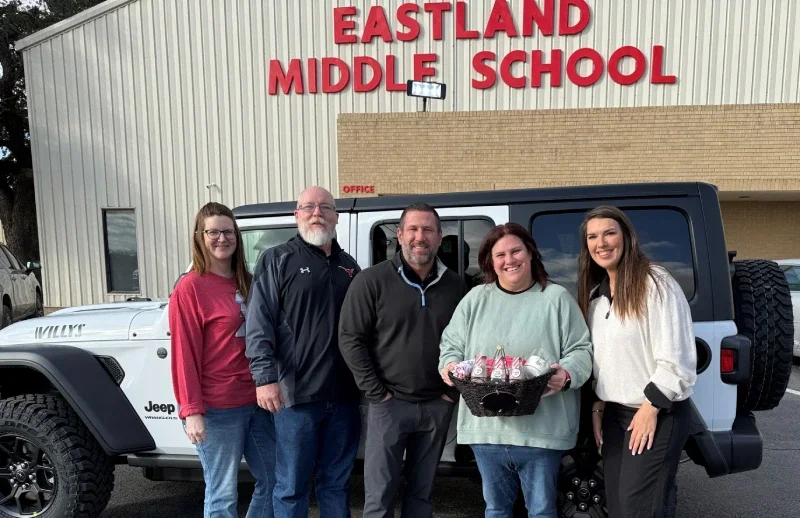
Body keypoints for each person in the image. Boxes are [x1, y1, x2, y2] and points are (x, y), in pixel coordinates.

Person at [439, 222, 593, 518]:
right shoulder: (475, 299)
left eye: (516, 251)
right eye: (500, 255)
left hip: (541, 432)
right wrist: (449, 366)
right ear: (490, 262)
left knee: (542, 511)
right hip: (486, 432)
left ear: (531, 253)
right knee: (496, 509)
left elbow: (581, 350)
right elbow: (451, 345)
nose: (509, 260)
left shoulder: (557, 299)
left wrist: (568, 374)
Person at [339, 202, 465, 518]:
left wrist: (452, 394)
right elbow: (350, 339)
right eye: (412, 229)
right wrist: (377, 393)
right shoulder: (371, 281)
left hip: (437, 406)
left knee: (422, 497)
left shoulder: (456, 286)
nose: (419, 237)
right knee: (379, 500)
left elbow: (469, 344)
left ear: (439, 238)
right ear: (399, 235)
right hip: (387, 407)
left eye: (427, 230)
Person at [246, 186, 361, 518]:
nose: (316, 213)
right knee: (291, 487)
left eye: (325, 207)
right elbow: (258, 324)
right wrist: (265, 378)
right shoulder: (277, 258)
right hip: (294, 399)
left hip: (343, 398)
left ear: (336, 216)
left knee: (336, 484)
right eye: (308, 207)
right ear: (296, 215)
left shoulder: (349, 267)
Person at [577, 206, 697, 518]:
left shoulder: (655, 283)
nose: (601, 242)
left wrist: (650, 408)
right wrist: (599, 405)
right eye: (592, 236)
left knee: (637, 509)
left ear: (627, 237)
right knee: (617, 506)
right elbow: (604, 361)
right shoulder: (597, 298)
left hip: (656, 413)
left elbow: (678, 359)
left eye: (609, 233)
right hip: (616, 416)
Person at [169, 202, 275, 518]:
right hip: (217, 409)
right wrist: (191, 411)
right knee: (222, 495)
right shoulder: (190, 288)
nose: (221, 238)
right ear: (200, 236)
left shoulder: (249, 280)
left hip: (256, 402)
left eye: (228, 231)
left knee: (276, 479)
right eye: (213, 232)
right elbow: (183, 355)